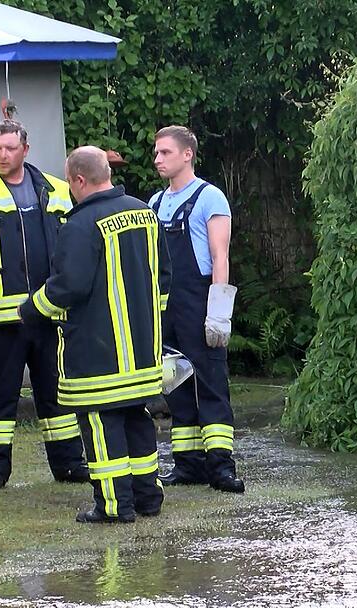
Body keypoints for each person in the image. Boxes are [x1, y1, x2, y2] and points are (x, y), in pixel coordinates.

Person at [19, 146, 168, 523]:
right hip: (143, 348)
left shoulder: (80, 225)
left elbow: (68, 287)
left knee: (101, 425)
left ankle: (115, 506)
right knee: (137, 417)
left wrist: (30, 310)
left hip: (97, 350)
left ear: (78, 180)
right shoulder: (145, 213)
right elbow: (164, 275)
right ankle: (147, 496)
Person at [0, 119, 89, 490]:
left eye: (10, 148)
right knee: (0, 398)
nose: (3, 155)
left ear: (26, 149)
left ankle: (69, 463)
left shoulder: (57, 191)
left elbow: (72, 251)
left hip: (48, 314)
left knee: (57, 394)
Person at [150, 126, 244, 493]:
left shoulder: (210, 197)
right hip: (165, 306)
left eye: (165, 153)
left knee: (210, 382)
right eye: (157, 153)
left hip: (199, 300)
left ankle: (220, 466)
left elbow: (221, 256)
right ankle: (187, 464)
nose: (158, 159)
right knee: (175, 383)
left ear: (187, 154)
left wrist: (219, 312)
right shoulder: (154, 204)